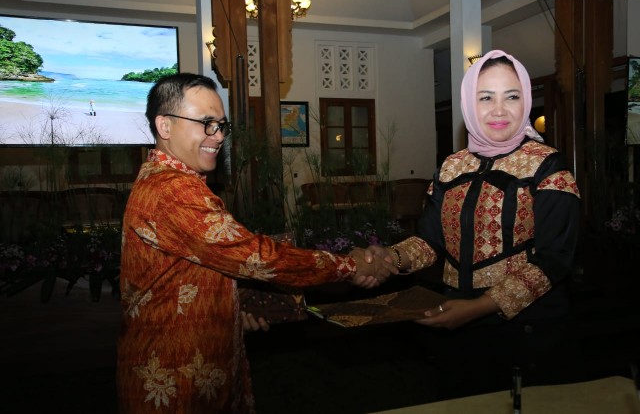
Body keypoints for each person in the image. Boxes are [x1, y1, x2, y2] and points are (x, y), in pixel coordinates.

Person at [116, 73, 396, 413]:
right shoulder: (172, 190)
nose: (218, 136)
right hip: (175, 378)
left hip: (198, 363)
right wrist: (351, 265)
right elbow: (256, 258)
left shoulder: (169, 179)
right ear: (165, 126)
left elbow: (199, 268)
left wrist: (240, 307)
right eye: (206, 124)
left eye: (221, 125)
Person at [366, 50, 583, 398]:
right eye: (486, 98)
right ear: (469, 103)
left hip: (529, 330)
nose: (499, 110)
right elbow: (430, 242)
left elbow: (554, 258)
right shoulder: (452, 166)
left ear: (526, 101)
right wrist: (391, 258)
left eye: (511, 96)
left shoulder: (548, 166)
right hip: (458, 325)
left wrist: (479, 307)